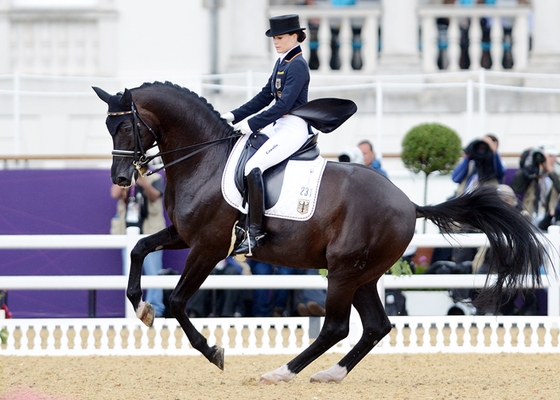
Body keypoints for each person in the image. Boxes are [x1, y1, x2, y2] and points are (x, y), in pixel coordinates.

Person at [220, 14, 310, 256]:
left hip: (294, 126)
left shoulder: (298, 65)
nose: (276, 42)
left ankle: (255, 233)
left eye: (280, 38)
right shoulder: (283, 61)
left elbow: (283, 106)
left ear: (294, 36)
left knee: (253, 166)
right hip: (279, 125)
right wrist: (233, 115)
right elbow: (264, 96)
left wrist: (251, 124)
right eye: (274, 39)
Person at [110, 172, 167, 317]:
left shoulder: (155, 177)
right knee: (129, 273)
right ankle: (133, 309)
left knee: (153, 272)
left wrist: (144, 182)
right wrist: (125, 179)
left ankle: (156, 310)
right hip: (128, 230)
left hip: (150, 232)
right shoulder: (127, 177)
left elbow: (155, 196)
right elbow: (114, 193)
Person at [510, 142, 560, 230]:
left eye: (551, 156)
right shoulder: (532, 171)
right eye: (547, 156)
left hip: (550, 217)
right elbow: (517, 188)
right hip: (532, 214)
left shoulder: (557, 171)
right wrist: (526, 167)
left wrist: (550, 171)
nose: (547, 159)